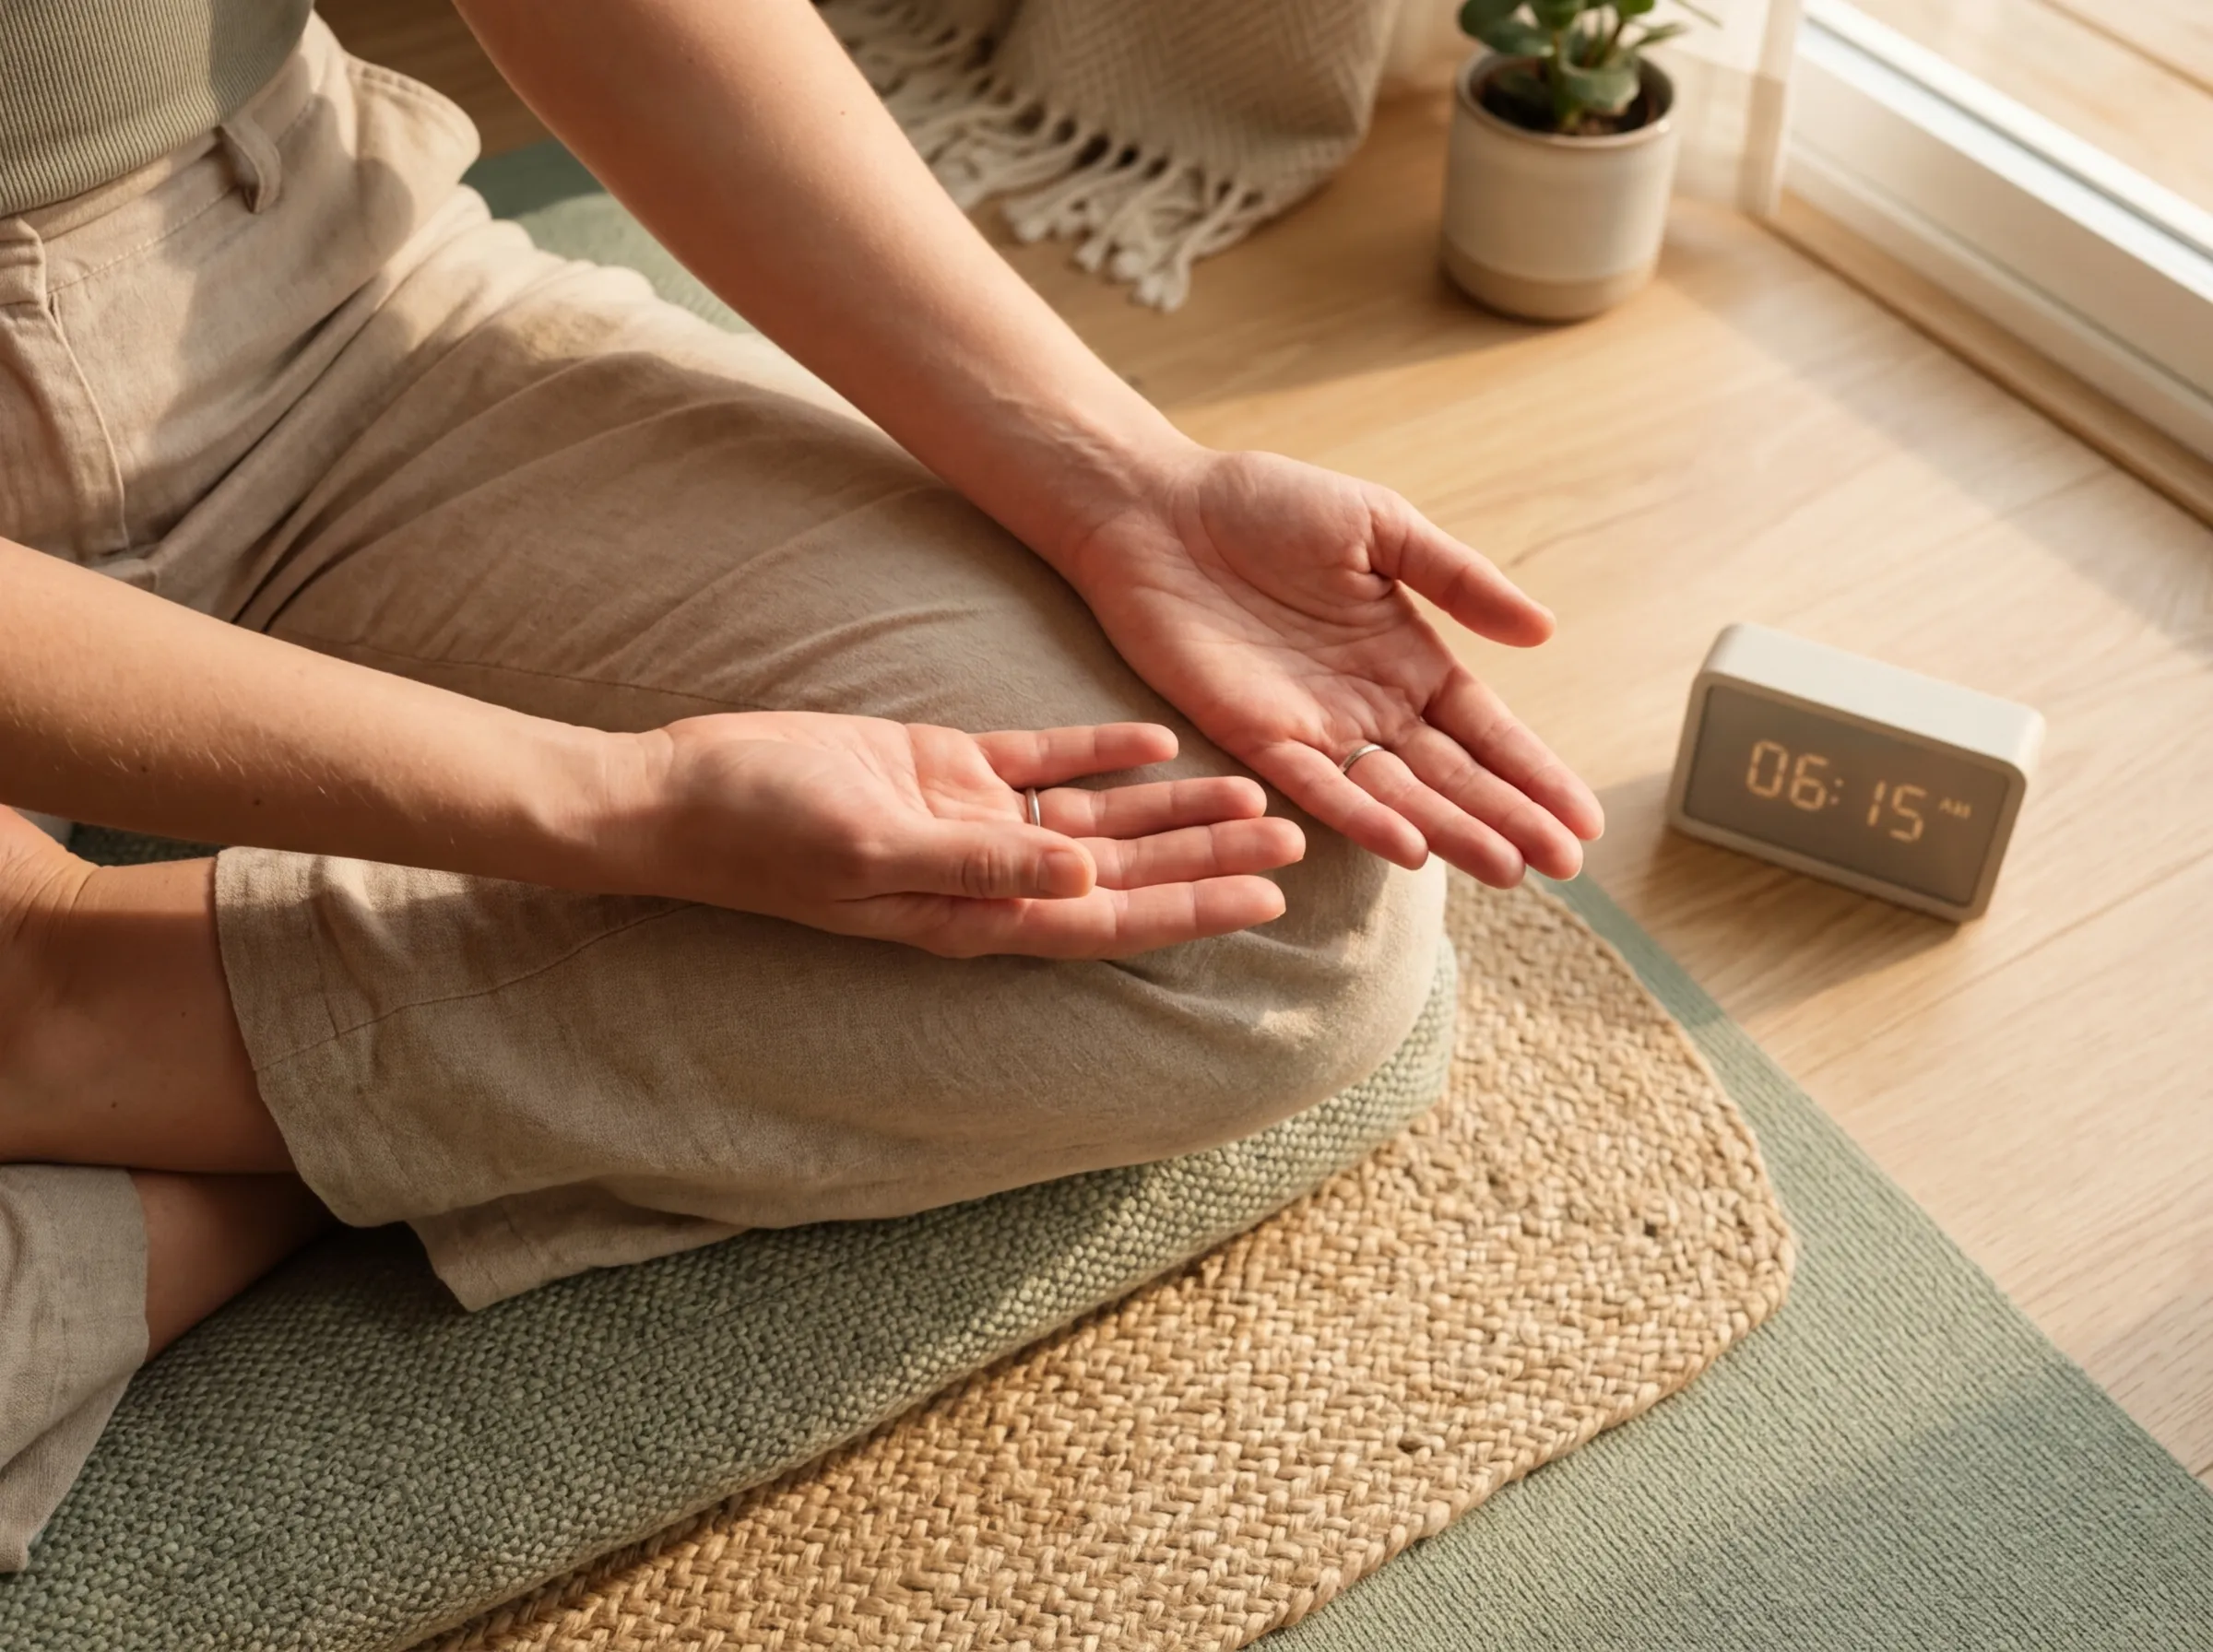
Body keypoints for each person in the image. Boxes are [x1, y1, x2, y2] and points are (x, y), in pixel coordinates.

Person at [0, 0, 1603, 1569]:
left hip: (288, 299)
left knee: (1262, 896)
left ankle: (96, 1018)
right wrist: (611, 804)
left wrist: (1126, 491)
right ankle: (153, 1060)